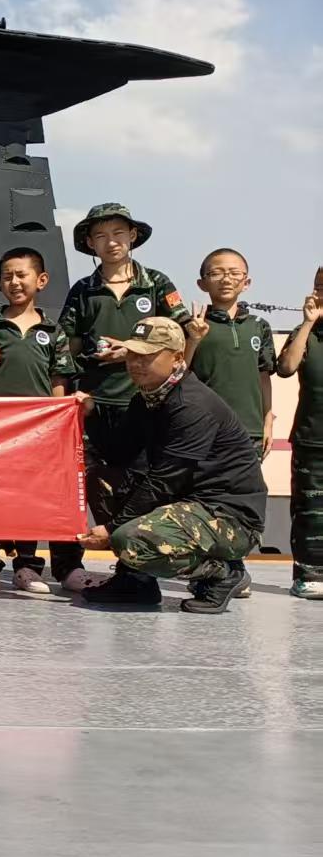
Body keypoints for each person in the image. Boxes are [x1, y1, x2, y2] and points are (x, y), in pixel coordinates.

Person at [77, 317, 266, 612]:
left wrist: (112, 529)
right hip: (184, 500)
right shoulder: (147, 399)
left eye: (147, 356)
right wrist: (92, 414)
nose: (136, 363)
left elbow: (167, 479)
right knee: (103, 479)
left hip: (228, 515)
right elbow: (119, 453)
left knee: (130, 539)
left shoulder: (191, 405)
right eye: (133, 354)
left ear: (177, 358)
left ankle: (222, 574)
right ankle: (136, 581)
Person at [56, 202, 193, 593]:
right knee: (78, 486)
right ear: (90, 243)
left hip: (143, 403)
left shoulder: (157, 284)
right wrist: (77, 380)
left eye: (118, 233)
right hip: (94, 405)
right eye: (101, 235)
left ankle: (136, 568)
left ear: (132, 236)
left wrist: (133, 353)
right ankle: (67, 566)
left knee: (141, 488)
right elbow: (67, 346)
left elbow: (180, 335)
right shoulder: (83, 291)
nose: (111, 242)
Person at [0, 247, 78, 592]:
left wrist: (58, 423)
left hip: (37, 428)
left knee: (30, 497)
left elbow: (59, 379)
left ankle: (27, 566)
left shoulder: (52, 330)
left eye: (21, 275)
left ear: (41, 280)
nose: (14, 282)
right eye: (7, 276)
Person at [186, 247, 276, 597]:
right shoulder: (194, 323)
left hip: (249, 430)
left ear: (247, 281)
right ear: (202, 282)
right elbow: (180, 369)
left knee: (240, 503)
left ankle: (235, 569)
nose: (226, 278)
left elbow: (264, 375)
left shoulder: (259, 326)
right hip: (206, 431)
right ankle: (210, 568)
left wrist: (267, 419)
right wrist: (193, 339)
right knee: (205, 500)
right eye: (217, 272)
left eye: (234, 272)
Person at [277, 267, 323, 599]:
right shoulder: (306, 332)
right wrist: (307, 323)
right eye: (320, 286)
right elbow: (286, 368)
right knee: (310, 512)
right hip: (312, 437)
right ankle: (308, 574)